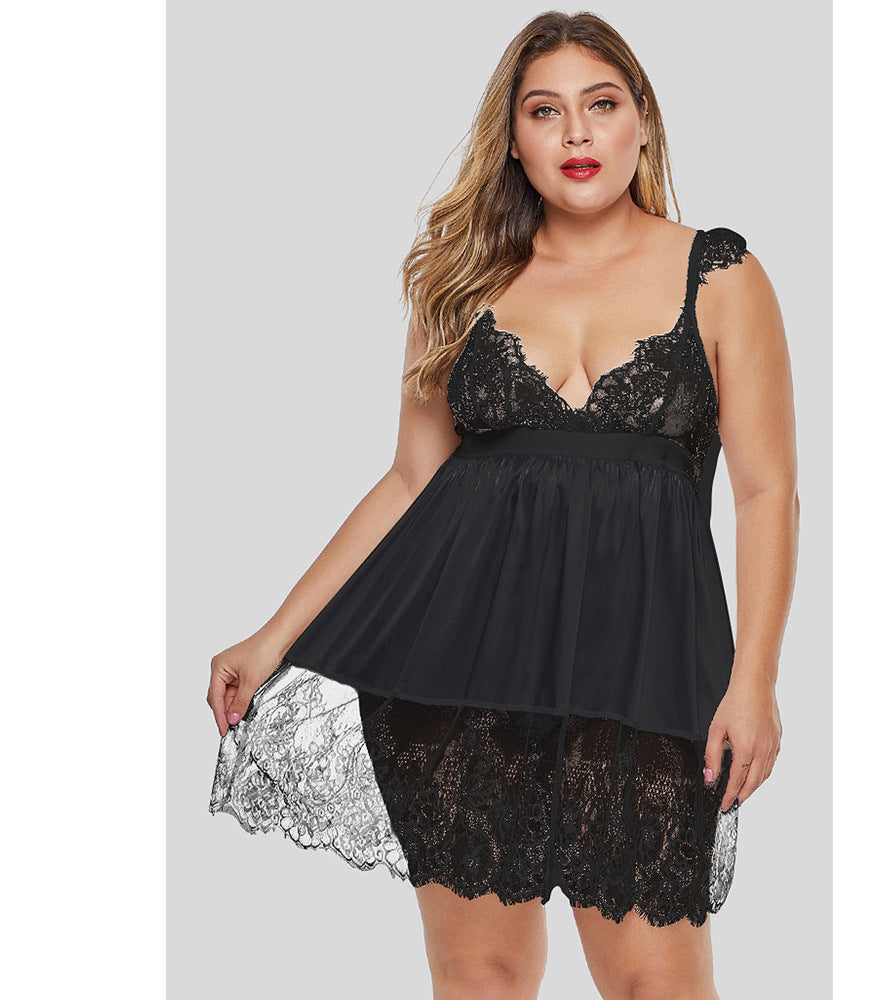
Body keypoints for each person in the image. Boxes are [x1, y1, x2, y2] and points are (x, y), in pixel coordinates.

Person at [208, 10, 798, 999]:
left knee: (658, 981)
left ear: (642, 122)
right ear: (514, 138)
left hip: (644, 675)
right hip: (462, 669)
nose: (576, 133)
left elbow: (765, 489)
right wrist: (272, 638)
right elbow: (410, 481)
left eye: (600, 104)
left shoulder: (721, 276)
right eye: (544, 111)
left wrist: (756, 680)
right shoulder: (462, 280)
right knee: (479, 975)